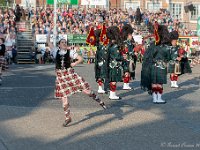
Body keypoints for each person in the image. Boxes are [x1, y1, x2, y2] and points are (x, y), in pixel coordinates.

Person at [47, 34, 106, 127]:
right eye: (62, 42)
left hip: (70, 74)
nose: (64, 44)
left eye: (65, 42)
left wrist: (74, 63)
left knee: (86, 91)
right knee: (64, 97)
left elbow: (81, 59)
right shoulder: (55, 51)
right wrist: (48, 34)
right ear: (59, 45)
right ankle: (68, 118)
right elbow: (49, 43)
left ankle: (98, 100)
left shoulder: (70, 52)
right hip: (61, 77)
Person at [141, 22, 172, 104]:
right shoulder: (165, 47)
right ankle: (159, 98)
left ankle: (155, 98)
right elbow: (168, 57)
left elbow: (146, 56)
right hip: (161, 66)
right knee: (160, 83)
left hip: (153, 66)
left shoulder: (152, 45)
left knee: (154, 83)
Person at [107, 26, 123, 100]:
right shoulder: (115, 47)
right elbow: (117, 57)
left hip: (111, 64)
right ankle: (112, 94)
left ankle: (112, 93)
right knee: (114, 80)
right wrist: (123, 58)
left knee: (112, 79)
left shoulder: (110, 45)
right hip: (115, 64)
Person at [94, 25, 109, 94]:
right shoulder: (100, 44)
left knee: (104, 74)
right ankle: (100, 88)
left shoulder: (102, 43)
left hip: (103, 60)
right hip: (101, 60)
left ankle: (105, 87)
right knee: (100, 74)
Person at [121, 24, 136, 90]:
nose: (131, 36)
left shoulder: (130, 42)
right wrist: (134, 51)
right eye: (130, 35)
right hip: (127, 59)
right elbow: (128, 51)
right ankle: (125, 84)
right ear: (127, 35)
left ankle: (127, 84)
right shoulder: (126, 43)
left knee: (128, 72)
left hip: (129, 58)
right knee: (126, 72)